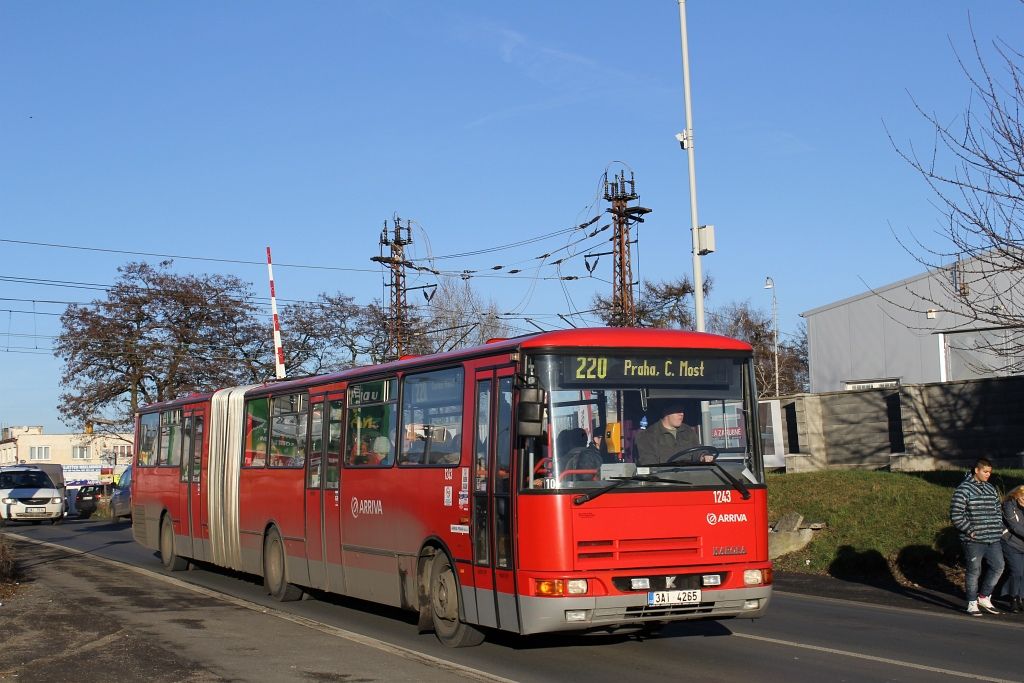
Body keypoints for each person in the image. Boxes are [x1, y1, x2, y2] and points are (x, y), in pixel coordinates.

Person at [950, 457, 1006, 616]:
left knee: (998, 566)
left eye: (990, 472)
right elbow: (956, 514)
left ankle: (984, 596)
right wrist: (970, 530)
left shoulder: (990, 488)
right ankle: (971, 602)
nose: (988, 474)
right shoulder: (963, 489)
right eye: (985, 471)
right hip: (973, 540)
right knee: (974, 570)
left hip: (993, 538)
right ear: (977, 470)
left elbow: (997, 510)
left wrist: (998, 528)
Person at [634, 403, 701, 465]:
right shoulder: (647, 435)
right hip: (664, 476)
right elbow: (649, 463)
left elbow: (697, 451)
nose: (681, 414)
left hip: (691, 474)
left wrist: (703, 456)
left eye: (682, 411)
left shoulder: (688, 431)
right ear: (666, 412)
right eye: (677, 411)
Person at [1001, 485, 1024, 612]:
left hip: (1022, 544)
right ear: (1017, 495)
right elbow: (1014, 527)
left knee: (1023, 573)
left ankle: (1020, 597)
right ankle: (1013, 598)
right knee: (1017, 572)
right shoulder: (1008, 505)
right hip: (1010, 543)